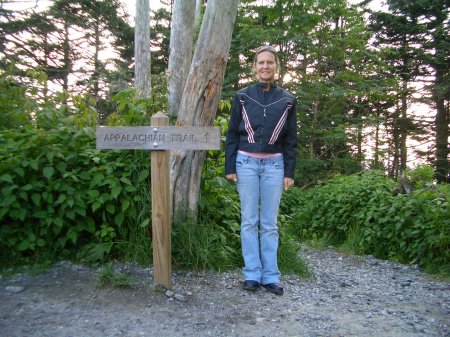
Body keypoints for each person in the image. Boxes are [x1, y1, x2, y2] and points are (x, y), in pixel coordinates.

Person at [225, 45, 297, 295]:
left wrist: (289, 172)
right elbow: (232, 133)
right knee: (248, 221)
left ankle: (271, 277)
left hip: (274, 166)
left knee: (269, 224)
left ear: (277, 67)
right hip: (245, 164)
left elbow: (291, 139)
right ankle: (252, 274)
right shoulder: (242, 96)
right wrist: (229, 166)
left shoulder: (288, 100)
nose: (265, 66)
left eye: (270, 62)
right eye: (261, 62)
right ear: (254, 67)